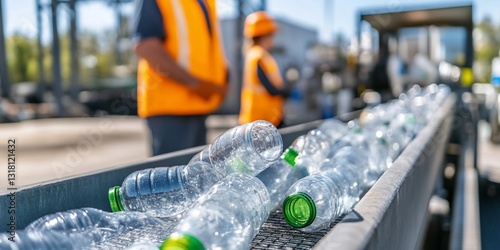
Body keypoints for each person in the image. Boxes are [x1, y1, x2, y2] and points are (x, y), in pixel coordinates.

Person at [132, 0, 228, 155]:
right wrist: (194, 83)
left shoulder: (206, 3)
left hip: (200, 105)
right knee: (173, 175)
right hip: (170, 108)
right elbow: (147, 47)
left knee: (195, 175)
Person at [239, 11, 289, 128]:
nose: (273, 39)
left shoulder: (261, 55)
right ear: (264, 35)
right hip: (258, 122)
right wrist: (289, 92)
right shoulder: (257, 56)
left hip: (266, 119)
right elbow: (270, 89)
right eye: (271, 35)